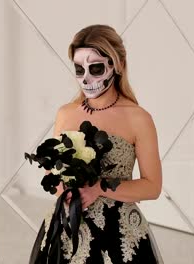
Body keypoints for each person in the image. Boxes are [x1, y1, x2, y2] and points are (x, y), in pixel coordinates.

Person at [30, 25, 163, 263]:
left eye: (96, 68)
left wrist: (99, 187)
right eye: (79, 69)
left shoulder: (139, 118)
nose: (86, 78)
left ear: (117, 65)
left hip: (118, 235)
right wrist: (67, 192)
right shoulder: (65, 113)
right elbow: (53, 173)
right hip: (66, 228)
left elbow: (152, 187)